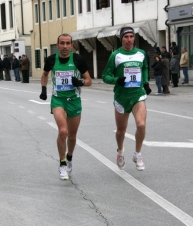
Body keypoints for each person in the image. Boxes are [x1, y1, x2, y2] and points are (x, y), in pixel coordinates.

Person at [40, 33, 92, 180]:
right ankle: (62, 164)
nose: (64, 46)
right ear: (57, 46)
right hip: (58, 100)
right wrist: (44, 90)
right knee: (63, 131)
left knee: (72, 135)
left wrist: (80, 82)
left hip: (74, 100)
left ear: (71, 45)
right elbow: (44, 75)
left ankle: (69, 157)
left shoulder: (78, 59)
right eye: (61, 43)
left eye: (67, 43)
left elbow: (89, 80)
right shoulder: (51, 60)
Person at [102, 26, 150, 171]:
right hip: (121, 97)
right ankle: (120, 151)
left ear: (134, 38)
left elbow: (145, 68)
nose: (129, 39)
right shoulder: (115, 56)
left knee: (141, 125)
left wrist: (146, 82)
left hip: (137, 95)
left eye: (131, 36)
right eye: (126, 37)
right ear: (121, 39)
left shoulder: (141, 53)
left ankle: (138, 154)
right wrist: (117, 80)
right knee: (121, 131)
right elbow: (105, 76)